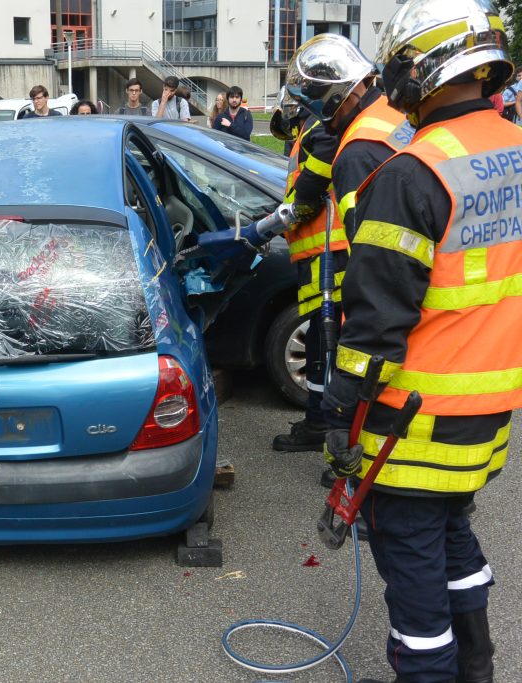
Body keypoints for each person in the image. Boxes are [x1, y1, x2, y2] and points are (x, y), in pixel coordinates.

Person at [322, 2, 518, 682]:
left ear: (424, 68)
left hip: (413, 423)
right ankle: (479, 667)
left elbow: (375, 326)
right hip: (488, 413)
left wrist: (338, 415)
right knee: (452, 535)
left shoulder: (414, 173)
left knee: (413, 589)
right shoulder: (513, 147)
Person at [280, 34, 414, 460]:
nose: (315, 111)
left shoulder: (355, 146)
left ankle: (343, 438)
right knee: (326, 344)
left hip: (337, 253)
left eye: (317, 100)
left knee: (335, 345)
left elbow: (311, 194)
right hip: (374, 263)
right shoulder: (388, 115)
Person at [267, 88, 343, 454]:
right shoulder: (308, 131)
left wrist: (282, 217)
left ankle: (330, 429)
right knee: (318, 338)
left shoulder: (320, 130)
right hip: (318, 252)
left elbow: (309, 193)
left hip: (330, 252)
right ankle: (318, 421)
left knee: (328, 341)